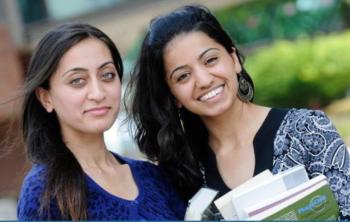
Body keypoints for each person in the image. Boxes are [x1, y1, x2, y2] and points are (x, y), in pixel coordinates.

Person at [127, 5, 350, 220]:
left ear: (233, 59)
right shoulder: (182, 169)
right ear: (173, 95)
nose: (203, 80)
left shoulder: (308, 129)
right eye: (183, 76)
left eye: (210, 60)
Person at [17, 23, 186, 220]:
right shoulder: (43, 192)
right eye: (77, 80)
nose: (98, 93)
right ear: (46, 98)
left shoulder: (152, 176)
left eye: (107, 75)